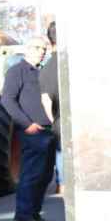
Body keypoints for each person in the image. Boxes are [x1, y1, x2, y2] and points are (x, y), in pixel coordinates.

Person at [1, 37, 58, 221]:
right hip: (33, 132)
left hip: (46, 131)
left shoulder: (39, 73)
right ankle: (23, 217)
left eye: (44, 48)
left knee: (44, 175)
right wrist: (27, 125)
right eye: (37, 47)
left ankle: (34, 215)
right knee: (31, 174)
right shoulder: (17, 71)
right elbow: (7, 100)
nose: (41, 51)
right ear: (27, 49)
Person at [39, 21, 62, 194]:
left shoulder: (46, 69)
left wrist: (53, 122)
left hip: (59, 125)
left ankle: (62, 183)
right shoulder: (69, 64)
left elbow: (46, 101)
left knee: (60, 153)